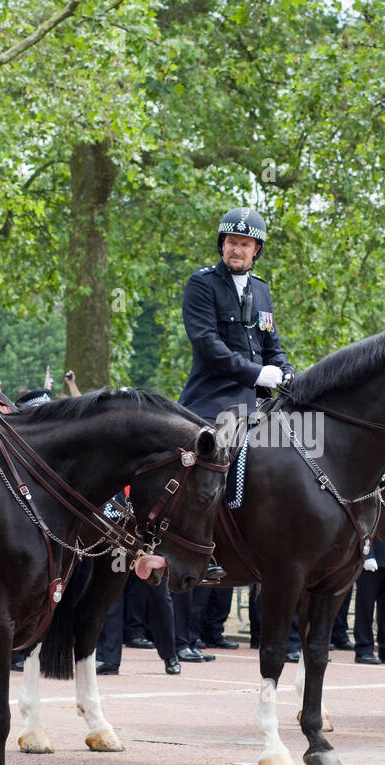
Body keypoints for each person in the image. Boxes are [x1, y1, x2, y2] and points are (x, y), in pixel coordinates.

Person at [172, 207, 294, 659]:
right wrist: (257, 373)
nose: (236, 249)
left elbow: (273, 347)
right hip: (212, 398)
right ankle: (204, 549)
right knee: (213, 466)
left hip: (257, 399)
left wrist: (287, 374)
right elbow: (208, 346)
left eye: (244, 244)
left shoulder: (261, 291)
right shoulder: (202, 284)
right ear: (221, 245)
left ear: (256, 250)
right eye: (229, 242)